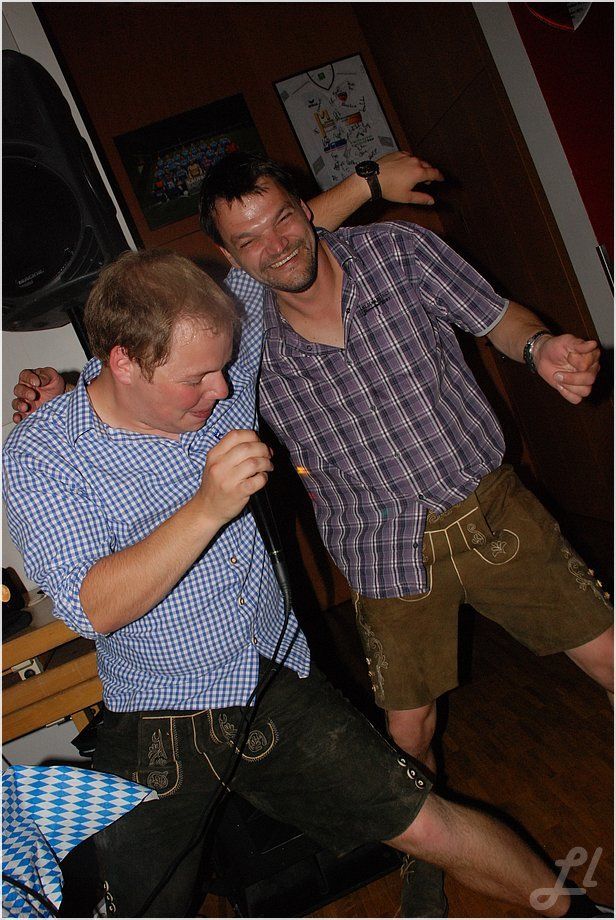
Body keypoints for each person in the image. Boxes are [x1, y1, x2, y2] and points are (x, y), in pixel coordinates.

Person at [6, 156, 612, 919]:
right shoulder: (42, 453)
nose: (226, 390)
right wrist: (206, 506)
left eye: (224, 369)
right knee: (133, 905)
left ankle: (576, 912)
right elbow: (92, 607)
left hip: (275, 675)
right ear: (122, 364)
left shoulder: (219, 351)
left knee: (432, 821)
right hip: (161, 711)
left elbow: (274, 244)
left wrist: (369, 182)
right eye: (198, 379)